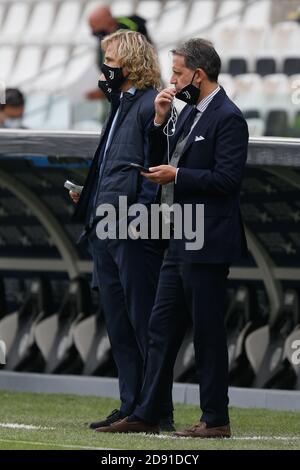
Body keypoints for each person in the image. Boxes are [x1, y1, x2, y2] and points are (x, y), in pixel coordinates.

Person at [95, 38, 249, 437]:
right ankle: (148, 412)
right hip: (180, 235)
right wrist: (161, 121)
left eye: (179, 73)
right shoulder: (188, 115)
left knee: (207, 332)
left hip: (208, 239)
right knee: (160, 329)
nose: (174, 79)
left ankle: (216, 418)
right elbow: (160, 160)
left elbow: (228, 180)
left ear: (198, 74)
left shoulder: (228, 118)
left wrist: (177, 176)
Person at [70, 30, 174, 431]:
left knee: (142, 321)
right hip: (105, 227)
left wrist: (138, 218)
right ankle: (132, 404)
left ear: (129, 65)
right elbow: (118, 168)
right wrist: (91, 196)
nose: (104, 70)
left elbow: (155, 168)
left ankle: (154, 410)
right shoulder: (121, 105)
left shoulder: (151, 104)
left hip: (132, 231)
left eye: (110, 62)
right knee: (119, 323)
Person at [86, 5, 151, 101]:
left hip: (140, 91)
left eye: (96, 30)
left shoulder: (130, 32)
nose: (94, 33)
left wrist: (105, 89)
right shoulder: (104, 36)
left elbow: (132, 68)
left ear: (107, 21)